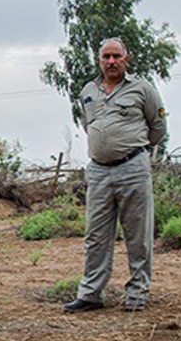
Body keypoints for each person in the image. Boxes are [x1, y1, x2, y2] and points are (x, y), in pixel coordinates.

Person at [64, 37, 167, 314]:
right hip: (98, 170)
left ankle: (137, 293)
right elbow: (89, 125)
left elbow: (157, 127)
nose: (111, 61)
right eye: (105, 57)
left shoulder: (142, 88)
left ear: (126, 59)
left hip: (133, 166)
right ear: (99, 61)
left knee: (138, 234)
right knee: (95, 235)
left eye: (116, 56)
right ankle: (90, 294)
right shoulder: (88, 90)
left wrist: (133, 147)